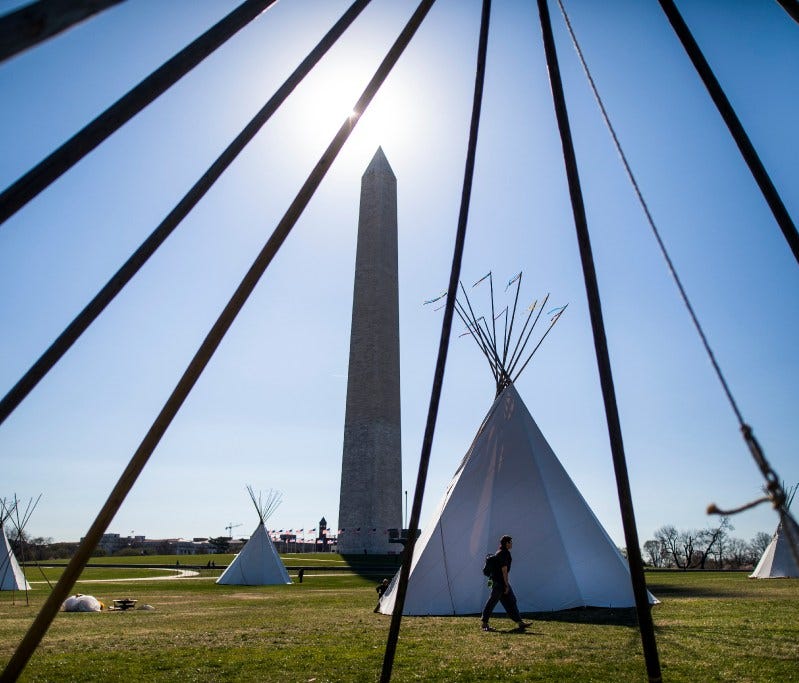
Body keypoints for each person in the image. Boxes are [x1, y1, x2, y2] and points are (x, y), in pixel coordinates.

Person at [480, 535, 530, 632]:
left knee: (511, 601)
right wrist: (506, 585)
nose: (512, 544)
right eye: (510, 542)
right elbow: (504, 570)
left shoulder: (499, 552)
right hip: (499, 583)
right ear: (506, 543)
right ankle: (484, 623)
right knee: (492, 602)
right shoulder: (504, 554)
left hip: (498, 581)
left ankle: (520, 622)